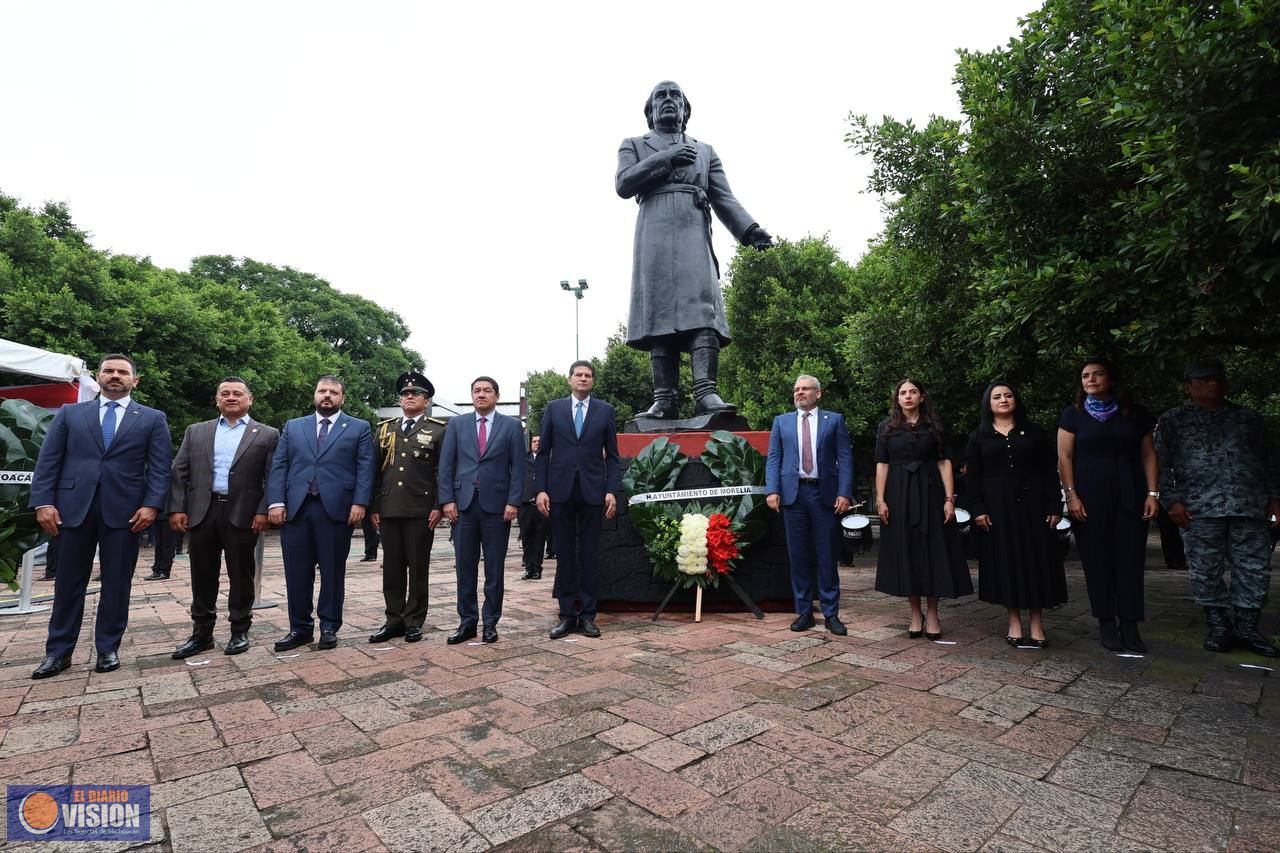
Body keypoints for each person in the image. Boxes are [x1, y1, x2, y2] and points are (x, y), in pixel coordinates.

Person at [616, 80, 772, 419]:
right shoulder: (633, 145)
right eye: (661, 95)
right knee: (658, 313)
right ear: (650, 110)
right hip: (654, 233)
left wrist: (749, 230)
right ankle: (664, 398)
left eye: (676, 96)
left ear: (686, 111)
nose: (669, 100)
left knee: (701, 310)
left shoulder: (705, 151)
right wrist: (667, 157)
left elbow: (724, 197)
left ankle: (706, 392)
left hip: (692, 233)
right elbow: (624, 183)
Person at [28, 354, 172, 678]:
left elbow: (161, 468)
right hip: (71, 509)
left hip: (126, 512)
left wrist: (152, 505)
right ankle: (58, 652)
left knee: (117, 583)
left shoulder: (152, 418)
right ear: (99, 376)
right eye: (109, 371)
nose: (115, 376)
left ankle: (108, 648)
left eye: (123, 372)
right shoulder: (71, 414)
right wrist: (42, 503)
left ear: (135, 380)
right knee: (67, 583)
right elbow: (48, 461)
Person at [1155, 359, 1280, 656]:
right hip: (1199, 508)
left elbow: (1269, 462)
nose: (1213, 384)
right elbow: (1160, 465)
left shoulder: (1247, 418)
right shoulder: (1173, 420)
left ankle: (1248, 626)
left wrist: (1275, 498)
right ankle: (1219, 624)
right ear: (1188, 387)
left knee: (1254, 568)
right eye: (1204, 379)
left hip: (1249, 505)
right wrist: (1171, 501)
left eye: (1217, 379)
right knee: (1205, 570)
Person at [168, 377, 279, 658]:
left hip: (243, 513)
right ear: (217, 399)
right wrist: (177, 508)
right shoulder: (197, 431)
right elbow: (179, 471)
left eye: (238, 393)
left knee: (242, 574)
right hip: (202, 511)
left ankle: (239, 629)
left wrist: (263, 510)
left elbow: (273, 477)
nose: (231, 397)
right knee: (202, 573)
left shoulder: (266, 434)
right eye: (225, 393)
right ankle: (201, 633)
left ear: (250, 399)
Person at [1057, 357, 1159, 653]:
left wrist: (1153, 493)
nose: (1090, 379)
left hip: (1130, 490)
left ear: (1110, 378)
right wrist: (1071, 495)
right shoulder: (1072, 415)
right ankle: (1105, 620)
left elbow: (1149, 455)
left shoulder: (1134, 414)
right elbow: (1064, 458)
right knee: (1096, 558)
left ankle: (1129, 622)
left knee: (1130, 558)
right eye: (1085, 375)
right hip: (1089, 493)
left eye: (1097, 374)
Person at [267, 375, 375, 652]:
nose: (327, 396)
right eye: (322, 391)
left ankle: (329, 626)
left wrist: (360, 503)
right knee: (296, 572)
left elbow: (365, 467)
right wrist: (276, 502)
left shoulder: (359, 427)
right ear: (314, 395)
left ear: (342, 398)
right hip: (297, 509)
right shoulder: (294, 426)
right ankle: (300, 628)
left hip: (336, 510)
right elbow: (279, 466)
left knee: (332, 572)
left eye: (333, 392)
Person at [965, 382, 1067, 648]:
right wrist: (978, 509)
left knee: (1037, 563)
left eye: (1008, 395)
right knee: (1006, 563)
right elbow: (973, 478)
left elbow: (1048, 471)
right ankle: (1013, 621)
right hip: (998, 509)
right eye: (997, 396)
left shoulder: (1034, 432)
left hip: (1034, 507)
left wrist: (1055, 505)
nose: (1003, 400)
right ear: (988, 403)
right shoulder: (979, 436)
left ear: (1016, 399)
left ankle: (1036, 623)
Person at [874, 379, 972, 639]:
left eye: (912, 392)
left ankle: (933, 613)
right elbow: (882, 464)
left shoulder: (935, 427)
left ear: (922, 396)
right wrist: (881, 499)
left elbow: (943, 463)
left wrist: (949, 499)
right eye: (902, 393)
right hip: (898, 493)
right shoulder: (886, 428)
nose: (907, 396)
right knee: (907, 550)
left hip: (930, 492)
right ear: (897, 398)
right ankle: (915, 613)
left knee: (933, 550)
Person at [764, 375, 854, 634]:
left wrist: (845, 493)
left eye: (805, 389)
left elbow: (845, 458)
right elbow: (774, 458)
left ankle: (831, 614)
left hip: (823, 495)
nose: (799, 393)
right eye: (796, 389)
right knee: (798, 556)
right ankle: (804, 612)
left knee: (827, 554)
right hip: (793, 497)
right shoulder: (781, 422)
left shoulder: (834, 420)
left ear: (818, 393)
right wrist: (772, 490)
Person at [537, 361, 621, 639]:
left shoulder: (605, 411)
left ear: (593, 381)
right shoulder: (554, 409)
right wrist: (540, 489)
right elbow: (543, 453)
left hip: (593, 492)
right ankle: (566, 615)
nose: (583, 379)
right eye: (578, 375)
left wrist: (611, 490)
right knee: (564, 554)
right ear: (569, 379)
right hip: (559, 492)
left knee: (589, 554)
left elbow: (613, 455)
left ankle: (587, 615)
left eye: (588, 375)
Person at [438, 376, 524, 644]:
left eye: (487, 391)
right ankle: (467, 622)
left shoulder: (511, 426)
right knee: (465, 566)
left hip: (498, 507)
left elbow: (519, 468)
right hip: (462, 506)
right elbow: (446, 465)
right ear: (471, 395)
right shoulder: (456, 424)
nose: (482, 394)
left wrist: (513, 502)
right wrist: (447, 501)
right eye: (477, 391)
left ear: (497, 396)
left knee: (495, 567)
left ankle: (491, 622)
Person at [368, 371, 445, 644]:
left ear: (426, 401)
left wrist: (439, 505)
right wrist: (374, 506)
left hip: (420, 509)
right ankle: (394, 620)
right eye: (405, 394)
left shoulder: (437, 430)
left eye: (416, 394)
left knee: (417, 567)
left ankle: (414, 621)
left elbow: (441, 472)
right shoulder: (384, 429)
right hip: (389, 508)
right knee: (392, 568)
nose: (409, 397)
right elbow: (374, 471)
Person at [519, 435, 547, 580]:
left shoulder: (547, 459)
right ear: (530, 444)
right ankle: (528, 568)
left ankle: (537, 568)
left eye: (539, 442)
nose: (537, 444)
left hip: (542, 504)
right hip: (525, 504)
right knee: (526, 537)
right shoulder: (523, 460)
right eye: (534, 442)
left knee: (539, 537)